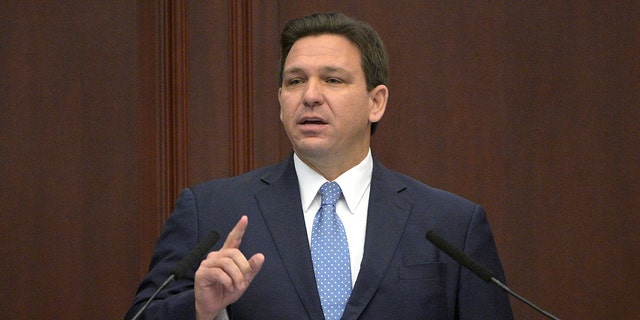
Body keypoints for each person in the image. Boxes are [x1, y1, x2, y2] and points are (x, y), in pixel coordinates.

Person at [125, 12, 514, 320]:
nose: (310, 96)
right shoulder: (210, 212)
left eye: (332, 79)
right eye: (295, 82)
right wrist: (197, 309)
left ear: (375, 102)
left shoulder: (451, 225)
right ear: (280, 101)